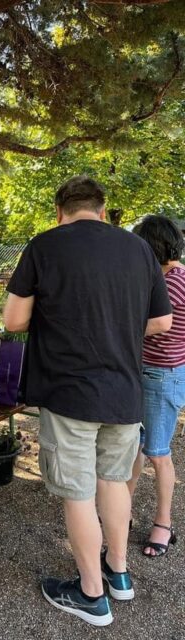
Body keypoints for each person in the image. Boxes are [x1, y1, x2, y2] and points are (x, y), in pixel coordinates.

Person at [3, 175, 172, 627]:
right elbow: (163, 322)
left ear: (59, 211)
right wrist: (116, 329)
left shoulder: (44, 246)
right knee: (113, 482)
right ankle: (119, 574)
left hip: (68, 391)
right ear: (103, 208)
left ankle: (91, 595)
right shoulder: (138, 249)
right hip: (124, 391)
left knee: (77, 493)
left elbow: (14, 320)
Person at [127, 215, 185, 557]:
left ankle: (164, 523)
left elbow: (142, 326)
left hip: (162, 376)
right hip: (147, 371)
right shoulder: (163, 277)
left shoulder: (173, 284)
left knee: (158, 453)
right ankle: (125, 510)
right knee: (133, 446)